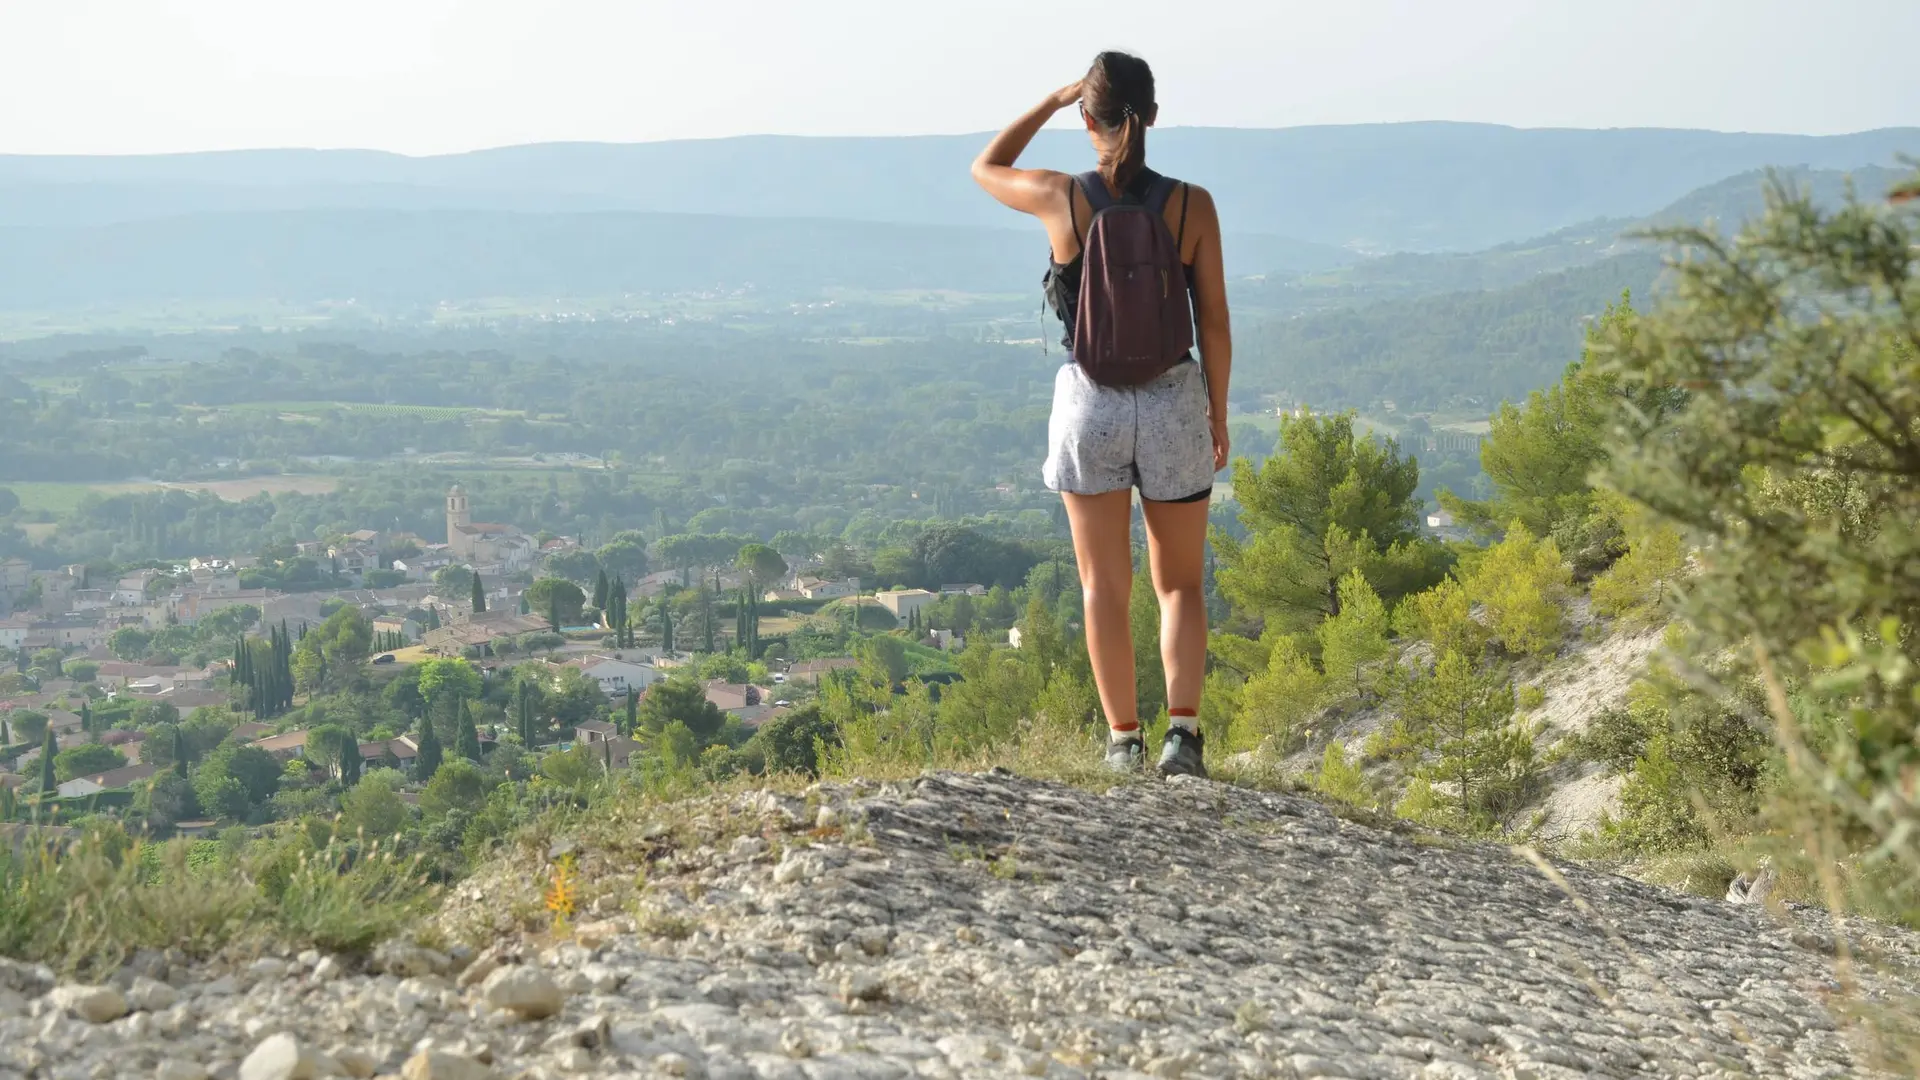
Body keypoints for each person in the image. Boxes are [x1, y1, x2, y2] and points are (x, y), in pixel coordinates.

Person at [971, 51, 1231, 778]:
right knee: (1179, 585)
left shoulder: (1062, 196)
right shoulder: (1193, 206)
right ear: (1155, 116)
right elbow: (1213, 323)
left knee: (1103, 587)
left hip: (1090, 405)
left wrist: (1052, 99)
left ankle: (1123, 742)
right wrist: (1216, 411)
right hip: (1175, 399)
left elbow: (985, 168)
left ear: (1088, 118)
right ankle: (1183, 737)